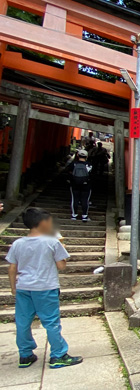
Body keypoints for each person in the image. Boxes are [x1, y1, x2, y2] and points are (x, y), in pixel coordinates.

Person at [6, 208, 82, 369]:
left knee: (23, 321)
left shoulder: (18, 243)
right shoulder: (52, 242)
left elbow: (12, 268)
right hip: (46, 287)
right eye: (49, 221)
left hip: (24, 287)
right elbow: (61, 266)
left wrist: (13, 288)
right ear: (42, 223)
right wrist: (63, 249)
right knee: (51, 322)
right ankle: (58, 355)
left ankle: (25, 355)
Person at [66, 149, 92, 221]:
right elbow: (92, 175)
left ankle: (74, 215)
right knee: (85, 200)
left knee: (75, 199)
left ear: (77, 155)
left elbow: (68, 172)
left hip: (75, 184)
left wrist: (71, 180)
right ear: (87, 156)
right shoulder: (89, 165)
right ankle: (84, 216)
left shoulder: (74, 164)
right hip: (86, 185)